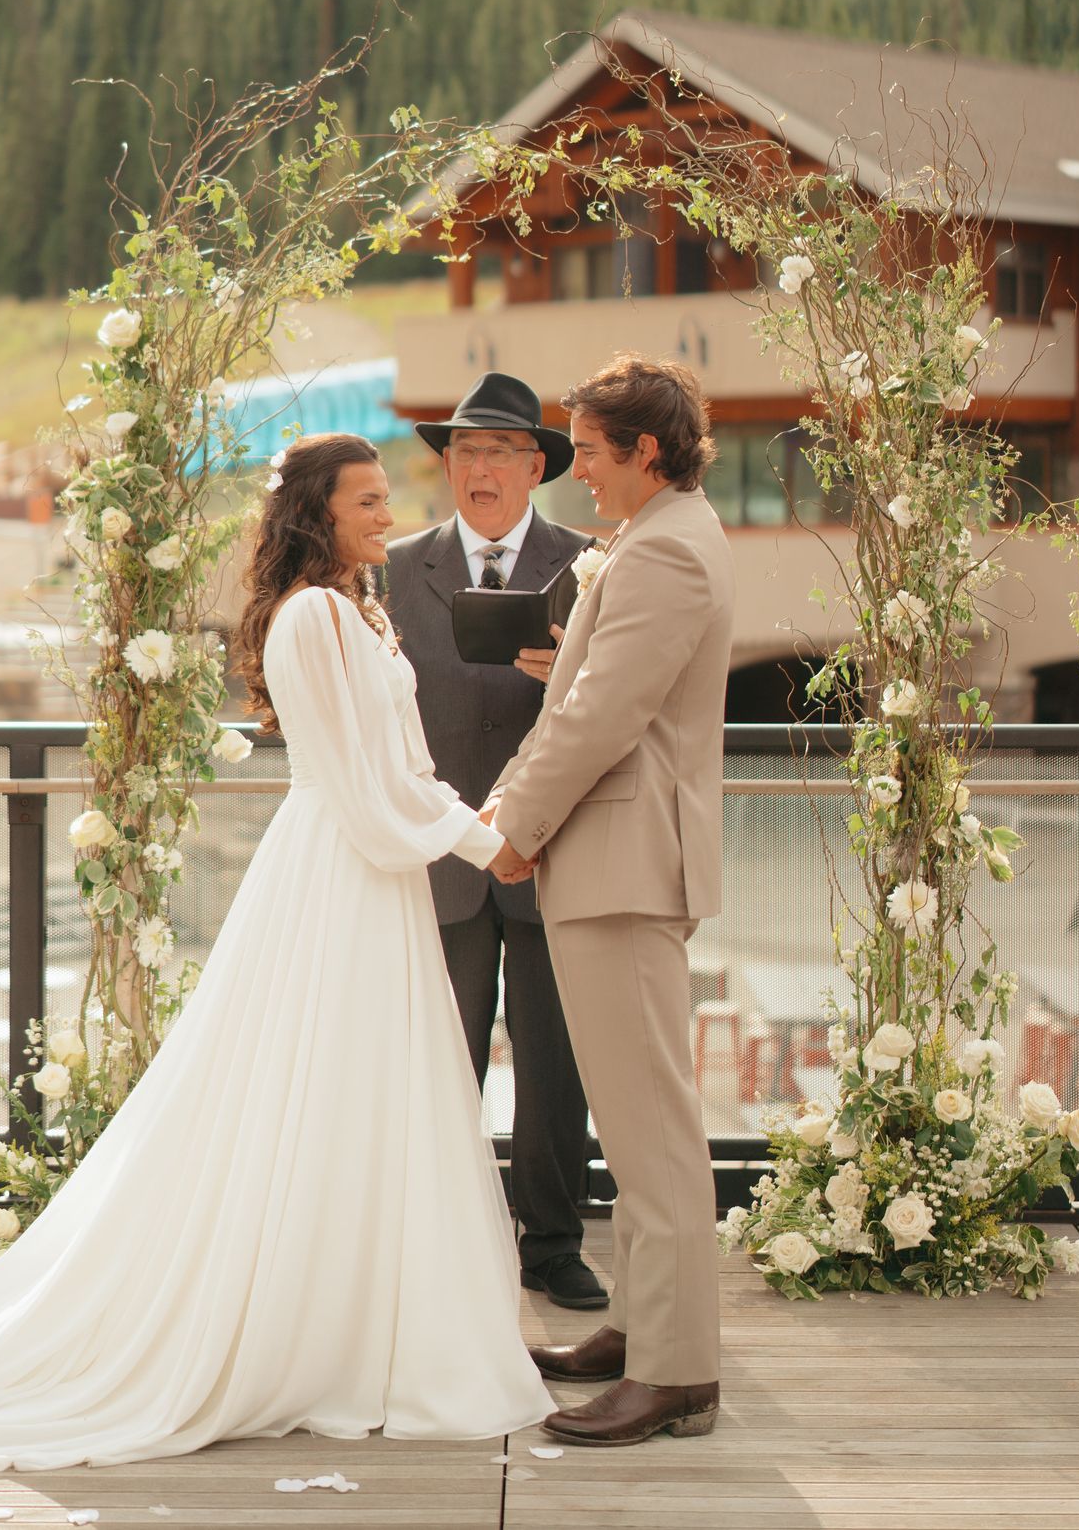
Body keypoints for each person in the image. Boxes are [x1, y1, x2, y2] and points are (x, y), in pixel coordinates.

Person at [0, 434, 554, 1469]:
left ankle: (353, 1320)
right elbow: (367, 789)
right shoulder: (318, 618)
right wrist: (486, 838)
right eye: (366, 501)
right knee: (325, 1089)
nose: (388, 514)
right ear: (316, 518)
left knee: (360, 1098)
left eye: (386, 498)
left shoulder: (356, 612)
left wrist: (470, 824)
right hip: (341, 876)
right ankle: (317, 1330)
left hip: (372, 877)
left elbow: (400, 772)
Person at [483, 355, 735, 1448]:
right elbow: (589, 698)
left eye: (587, 449)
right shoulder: (651, 541)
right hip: (613, 860)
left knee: (654, 1131)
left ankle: (678, 1372)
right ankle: (637, 1328)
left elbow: (600, 719)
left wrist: (510, 827)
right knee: (637, 1126)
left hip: (626, 866)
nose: (572, 468)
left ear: (646, 452)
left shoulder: (666, 553)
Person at [384, 371, 604, 1311]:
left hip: (553, 849)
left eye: (501, 452)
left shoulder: (591, 563)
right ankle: (437, 1245)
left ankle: (551, 1245)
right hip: (441, 855)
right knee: (439, 1058)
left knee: (556, 1061)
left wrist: (570, 671)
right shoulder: (395, 569)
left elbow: (617, 703)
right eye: (465, 451)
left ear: (535, 468)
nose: (480, 468)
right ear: (448, 466)